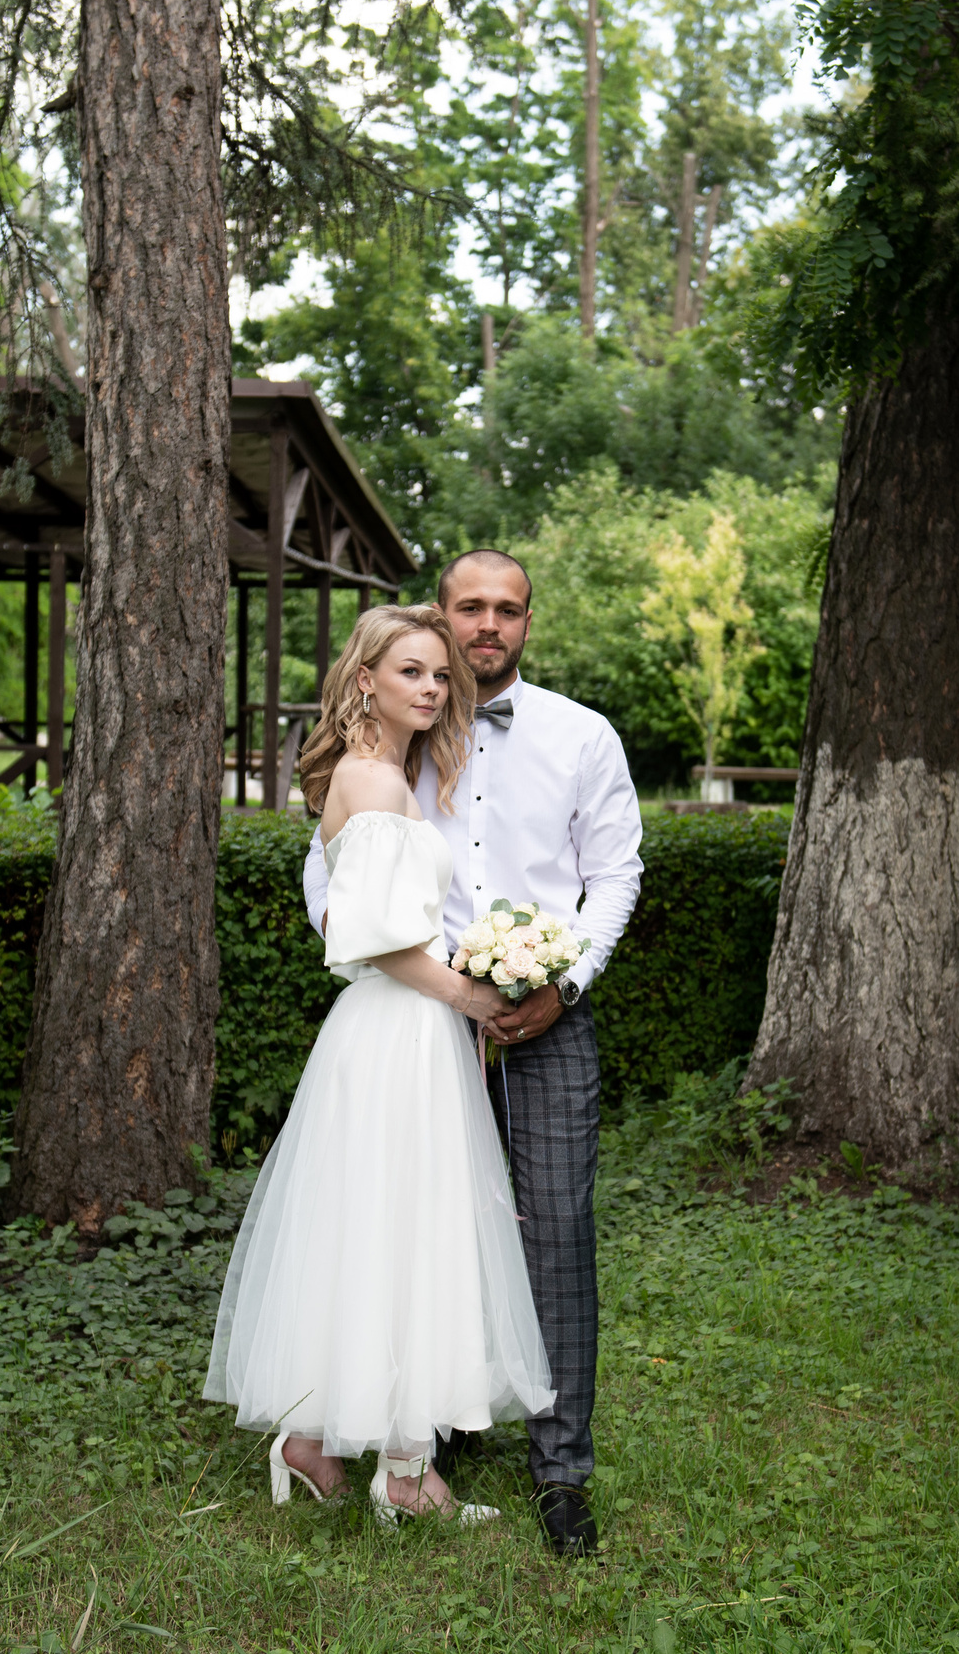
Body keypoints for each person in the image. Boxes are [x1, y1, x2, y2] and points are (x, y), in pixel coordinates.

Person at [300, 550, 644, 1557]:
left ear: (528, 621)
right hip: (422, 1020)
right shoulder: (395, 738)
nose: (486, 624)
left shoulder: (582, 735)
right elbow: (333, 877)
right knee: (420, 1225)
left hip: (547, 1010)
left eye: (507, 608)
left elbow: (612, 872)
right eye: (468, 608)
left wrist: (561, 979)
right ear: (442, 618)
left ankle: (560, 1467)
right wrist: (403, 968)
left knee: (555, 1226)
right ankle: (430, 1427)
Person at [202, 603, 555, 1526]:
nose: (433, 689)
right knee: (405, 1229)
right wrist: (477, 996)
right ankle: (404, 1472)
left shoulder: (385, 774)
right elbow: (378, 941)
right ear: (367, 680)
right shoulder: (371, 779)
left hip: (402, 1029)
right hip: (398, 1025)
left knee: (380, 1228)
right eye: (412, 672)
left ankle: (316, 1442)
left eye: (441, 676)